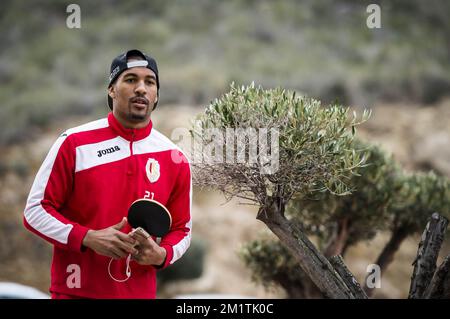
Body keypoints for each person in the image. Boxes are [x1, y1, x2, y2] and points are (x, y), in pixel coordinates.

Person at [23, 49, 192, 299]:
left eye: (150, 82)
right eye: (131, 79)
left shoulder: (175, 158)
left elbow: (183, 229)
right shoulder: (73, 143)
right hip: (75, 294)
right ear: (112, 89)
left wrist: (161, 255)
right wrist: (87, 237)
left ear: (156, 96)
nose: (141, 89)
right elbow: (35, 211)